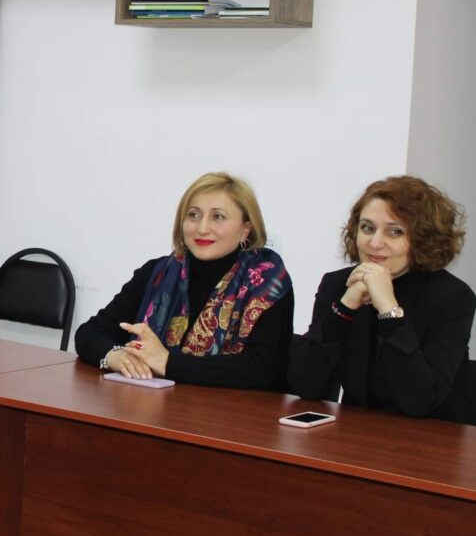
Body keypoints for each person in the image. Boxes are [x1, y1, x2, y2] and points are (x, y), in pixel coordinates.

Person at [74, 172, 293, 389]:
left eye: (218, 217)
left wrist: (167, 363)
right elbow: (89, 333)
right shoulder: (157, 274)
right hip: (154, 405)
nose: (202, 228)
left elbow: (262, 370)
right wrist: (114, 356)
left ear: (246, 229)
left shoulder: (268, 283)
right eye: (193, 215)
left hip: (235, 409)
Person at [289, 176, 476, 423]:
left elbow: (420, 401)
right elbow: (306, 386)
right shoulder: (338, 285)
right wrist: (345, 307)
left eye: (395, 231)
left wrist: (388, 309)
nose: (375, 243)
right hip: (356, 432)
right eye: (367, 228)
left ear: (423, 238)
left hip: (433, 435)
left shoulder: (452, 297)